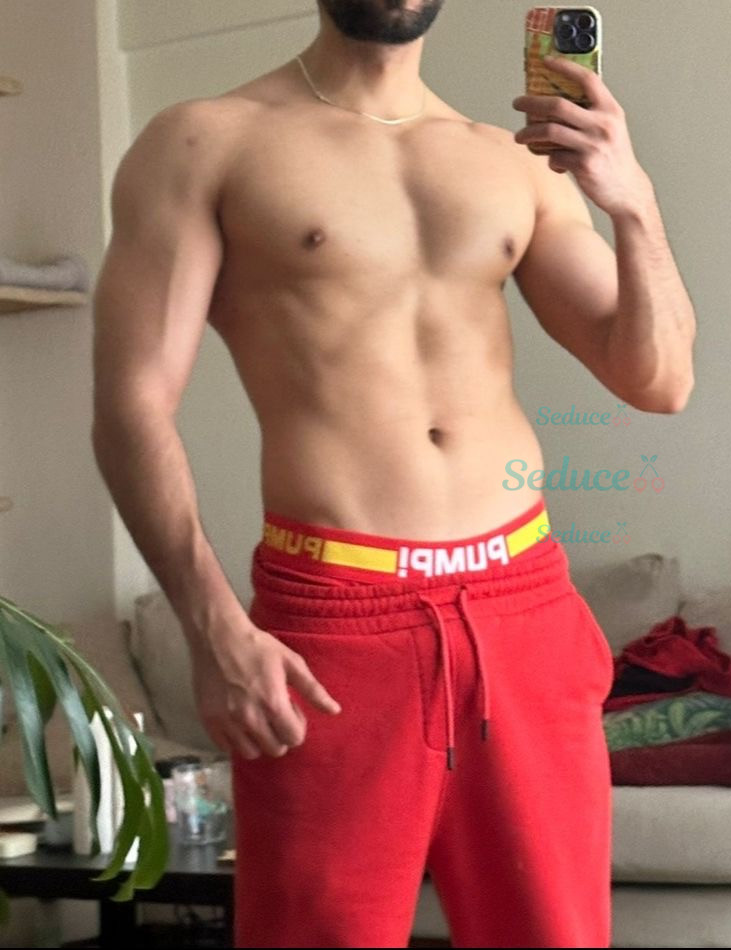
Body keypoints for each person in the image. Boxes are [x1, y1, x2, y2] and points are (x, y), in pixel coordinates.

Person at [91, 1, 695, 946]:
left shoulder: (509, 162)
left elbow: (657, 380)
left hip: (521, 606)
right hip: (336, 624)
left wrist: (634, 202)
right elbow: (131, 407)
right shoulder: (208, 141)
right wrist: (213, 631)